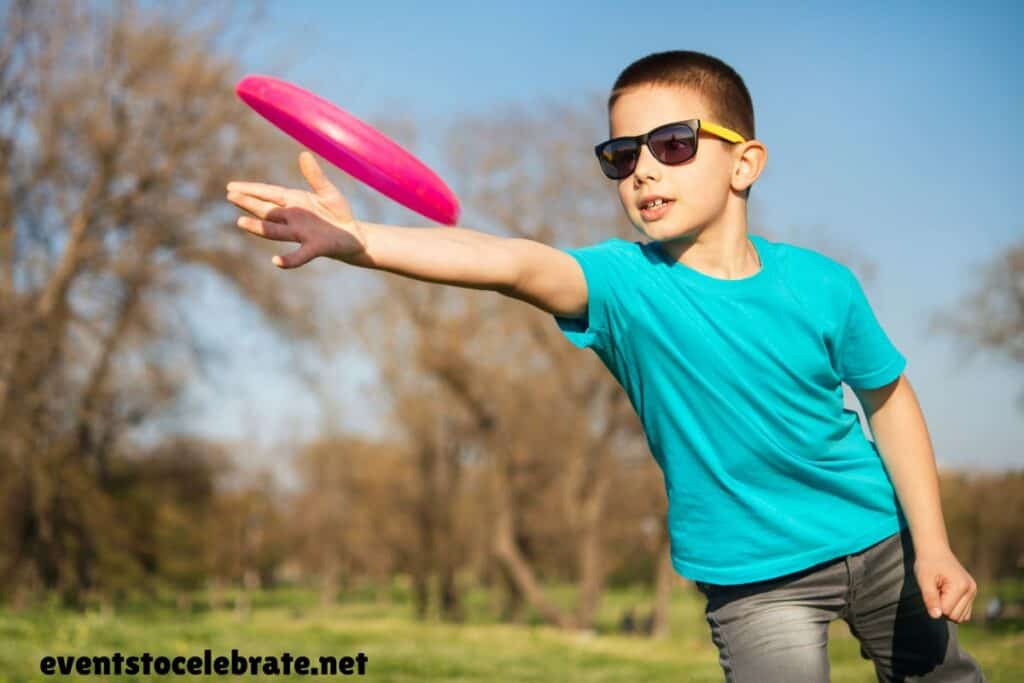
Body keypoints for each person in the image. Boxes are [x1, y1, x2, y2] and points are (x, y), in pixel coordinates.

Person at [226, 49, 984, 682]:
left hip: (878, 539)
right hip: (756, 583)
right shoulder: (625, 285)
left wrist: (936, 541)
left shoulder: (822, 283)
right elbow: (505, 261)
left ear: (745, 162)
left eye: (674, 144)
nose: (643, 171)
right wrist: (365, 241)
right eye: (622, 156)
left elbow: (889, 400)